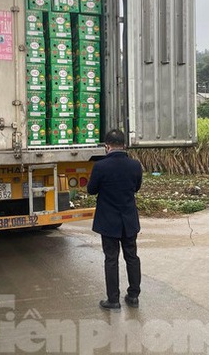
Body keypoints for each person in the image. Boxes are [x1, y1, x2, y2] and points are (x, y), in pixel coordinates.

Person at [87, 129, 143, 311]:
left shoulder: (101, 167)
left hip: (109, 221)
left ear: (107, 146)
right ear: (124, 145)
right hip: (129, 220)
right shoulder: (135, 165)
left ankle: (113, 300)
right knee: (132, 257)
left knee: (111, 259)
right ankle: (133, 296)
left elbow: (91, 190)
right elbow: (136, 188)